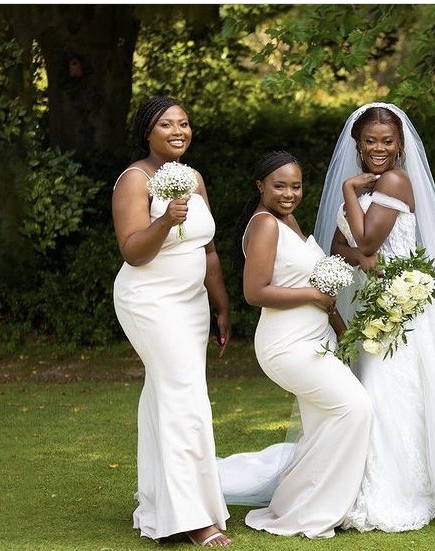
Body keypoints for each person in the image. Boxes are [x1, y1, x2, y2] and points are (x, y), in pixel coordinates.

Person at [313, 103, 435, 532]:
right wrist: (362, 256)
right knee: (375, 394)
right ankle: (371, 477)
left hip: (405, 311)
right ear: (358, 143)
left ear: (401, 144)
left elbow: (366, 242)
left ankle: (404, 486)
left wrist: (350, 192)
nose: (378, 148)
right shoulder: (368, 187)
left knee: (394, 392)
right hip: (374, 308)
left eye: (387, 141)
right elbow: (336, 248)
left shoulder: (396, 181)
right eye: (370, 141)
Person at [220, 151, 372, 539]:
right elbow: (255, 292)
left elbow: (319, 285)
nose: (289, 193)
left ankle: (299, 501)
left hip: (314, 339)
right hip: (286, 344)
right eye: (280, 186)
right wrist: (311, 296)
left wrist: (338, 325)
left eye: (296, 186)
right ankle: (314, 509)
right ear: (260, 186)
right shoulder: (265, 225)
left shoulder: (288, 221)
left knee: (324, 423)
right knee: (355, 407)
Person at [112, 97, 232, 547]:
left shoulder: (195, 177)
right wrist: (165, 219)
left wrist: (220, 302)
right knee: (185, 398)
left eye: (184, 123)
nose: (178, 131)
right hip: (150, 301)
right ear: (147, 131)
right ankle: (194, 518)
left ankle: (159, 503)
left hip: (192, 303)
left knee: (165, 396)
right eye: (166, 124)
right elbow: (133, 251)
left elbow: (208, 247)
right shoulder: (134, 180)